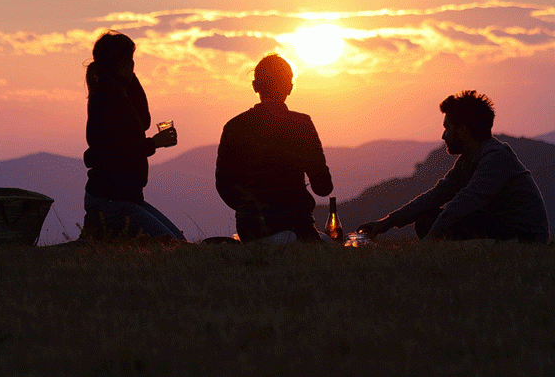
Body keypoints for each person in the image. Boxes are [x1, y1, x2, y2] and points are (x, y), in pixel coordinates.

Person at [359, 90, 549, 243]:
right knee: (428, 218)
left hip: (524, 238)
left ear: (463, 131)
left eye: (447, 128)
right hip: (501, 227)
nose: (444, 136)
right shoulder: (469, 159)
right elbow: (436, 195)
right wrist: (385, 223)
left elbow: (465, 202)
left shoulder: (496, 158)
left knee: (439, 221)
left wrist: (431, 238)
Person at [215, 53, 333, 242]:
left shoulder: (234, 127)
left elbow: (223, 185)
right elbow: (323, 188)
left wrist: (250, 209)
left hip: (251, 230)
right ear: (290, 88)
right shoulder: (302, 124)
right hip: (297, 225)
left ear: (255, 86)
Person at [83, 31, 185, 241]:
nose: (133, 64)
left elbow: (144, 121)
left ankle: (100, 238)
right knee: (172, 243)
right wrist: (154, 143)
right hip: (112, 200)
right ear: (119, 62)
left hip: (123, 198)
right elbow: (116, 151)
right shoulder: (108, 98)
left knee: (175, 240)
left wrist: (132, 78)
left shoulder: (118, 91)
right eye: (130, 59)